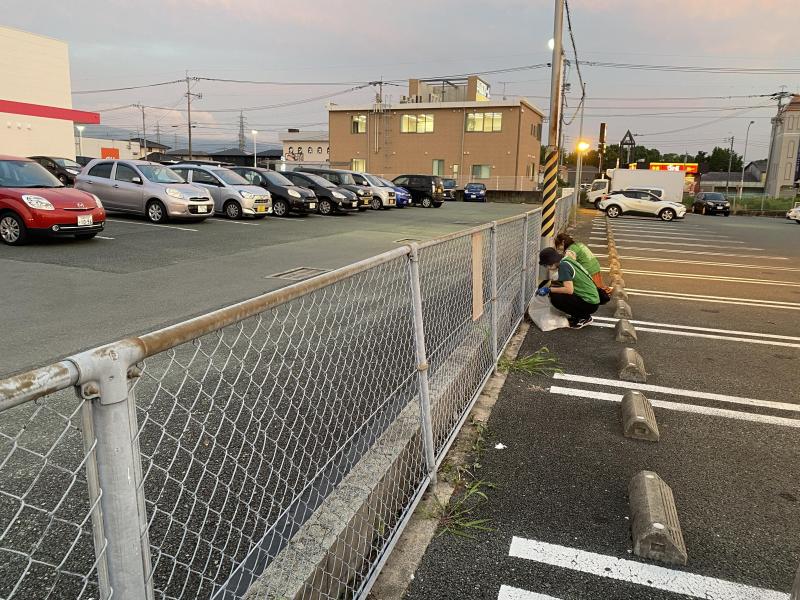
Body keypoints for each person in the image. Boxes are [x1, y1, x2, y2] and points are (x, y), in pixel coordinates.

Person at [538, 247, 600, 329]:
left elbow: (569, 290)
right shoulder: (566, 260)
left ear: (552, 263)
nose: (547, 268)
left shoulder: (563, 266)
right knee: (557, 292)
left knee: (556, 297)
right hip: (592, 299)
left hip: (589, 303)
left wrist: (548, 290)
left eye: (546, 265)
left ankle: (584, 317)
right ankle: (578, 316)